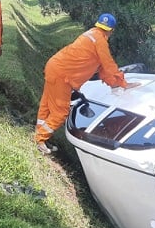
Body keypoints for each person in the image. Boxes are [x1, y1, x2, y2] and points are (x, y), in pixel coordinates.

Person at [35, 13, 139, 154]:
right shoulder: (100, 41)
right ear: (111, 31)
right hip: (62, 75)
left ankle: (40, 134)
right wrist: (123, 83)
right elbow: (109, 65)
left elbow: (103, 69)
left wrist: (114, 84)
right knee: (61, 111)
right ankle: (40, 139)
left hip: (55, 66)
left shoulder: (90, 34)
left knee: (46, 104)